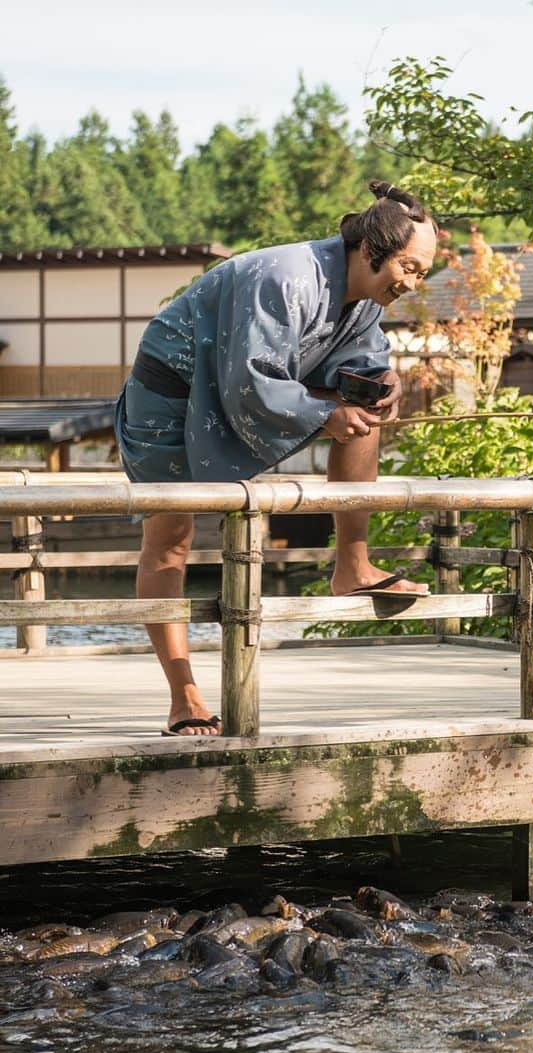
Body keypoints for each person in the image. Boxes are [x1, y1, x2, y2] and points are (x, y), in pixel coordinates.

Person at [114, 180, 437, 736]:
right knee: (170, 534)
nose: (412, 283)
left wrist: (379, 384)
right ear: (371, 250)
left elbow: (361, 359)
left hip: (258, 383)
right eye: (408, 267)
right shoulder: (286, 276)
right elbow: (251, 381)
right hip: (170, 392)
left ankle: (352, 565)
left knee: (364, 416)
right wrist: (322, 414)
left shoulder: (363, 302)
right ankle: (184, 694)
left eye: (422, 273)